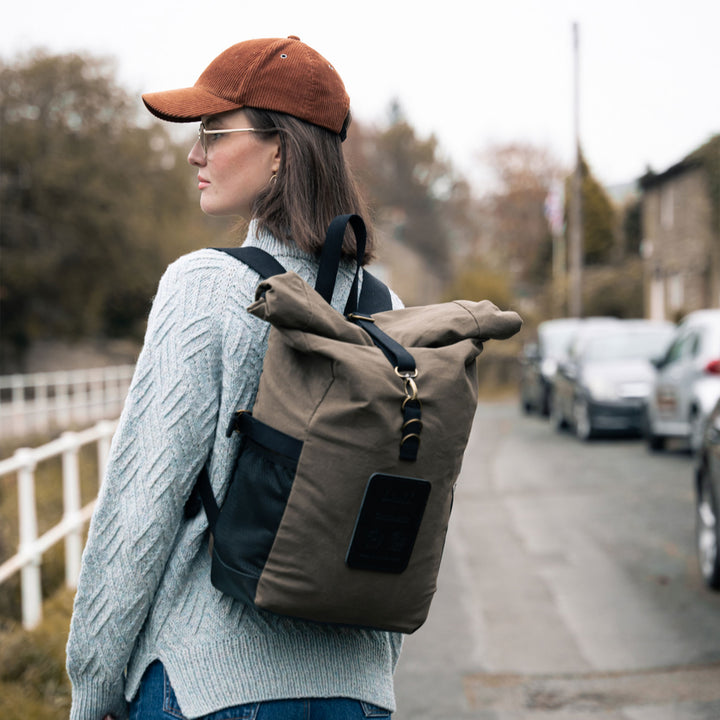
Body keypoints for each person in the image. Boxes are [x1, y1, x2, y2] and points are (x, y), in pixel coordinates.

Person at [66, 36, 404, 720]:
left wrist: (92, 687)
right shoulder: (384, 306)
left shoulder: (205, 287)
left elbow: (142, 506)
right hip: (359, 689)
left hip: (209, 684)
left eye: (214, 132)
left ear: (280, 148)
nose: (195, 153)